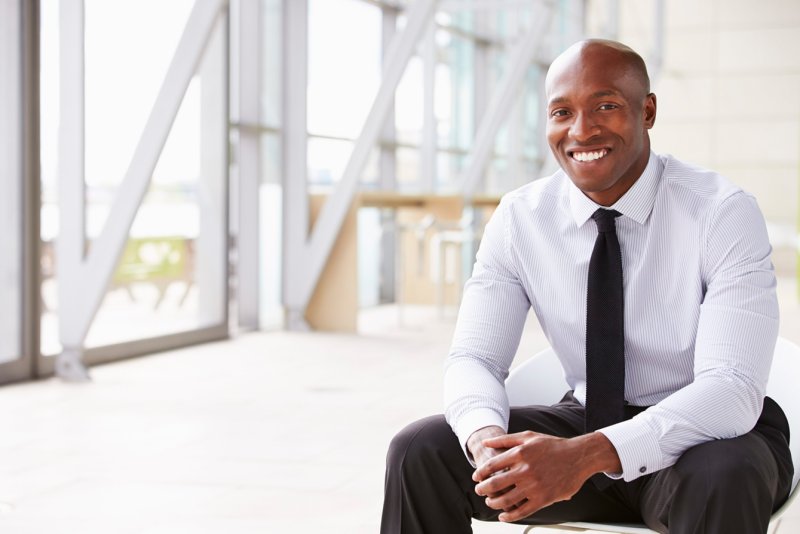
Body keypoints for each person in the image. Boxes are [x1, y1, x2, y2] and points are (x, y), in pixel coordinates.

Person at [380, 39, 793, 534]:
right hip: (586, 421)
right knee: (419, 453)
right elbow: (475, 359)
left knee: (725, 474)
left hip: (702, 438)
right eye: (562, 111)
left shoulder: (722, 213)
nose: (581, 129)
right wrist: (487, 441)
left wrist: (583, 457)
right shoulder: (521, 218)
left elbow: (731, 390)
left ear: (648, 111)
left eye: (606, 106)